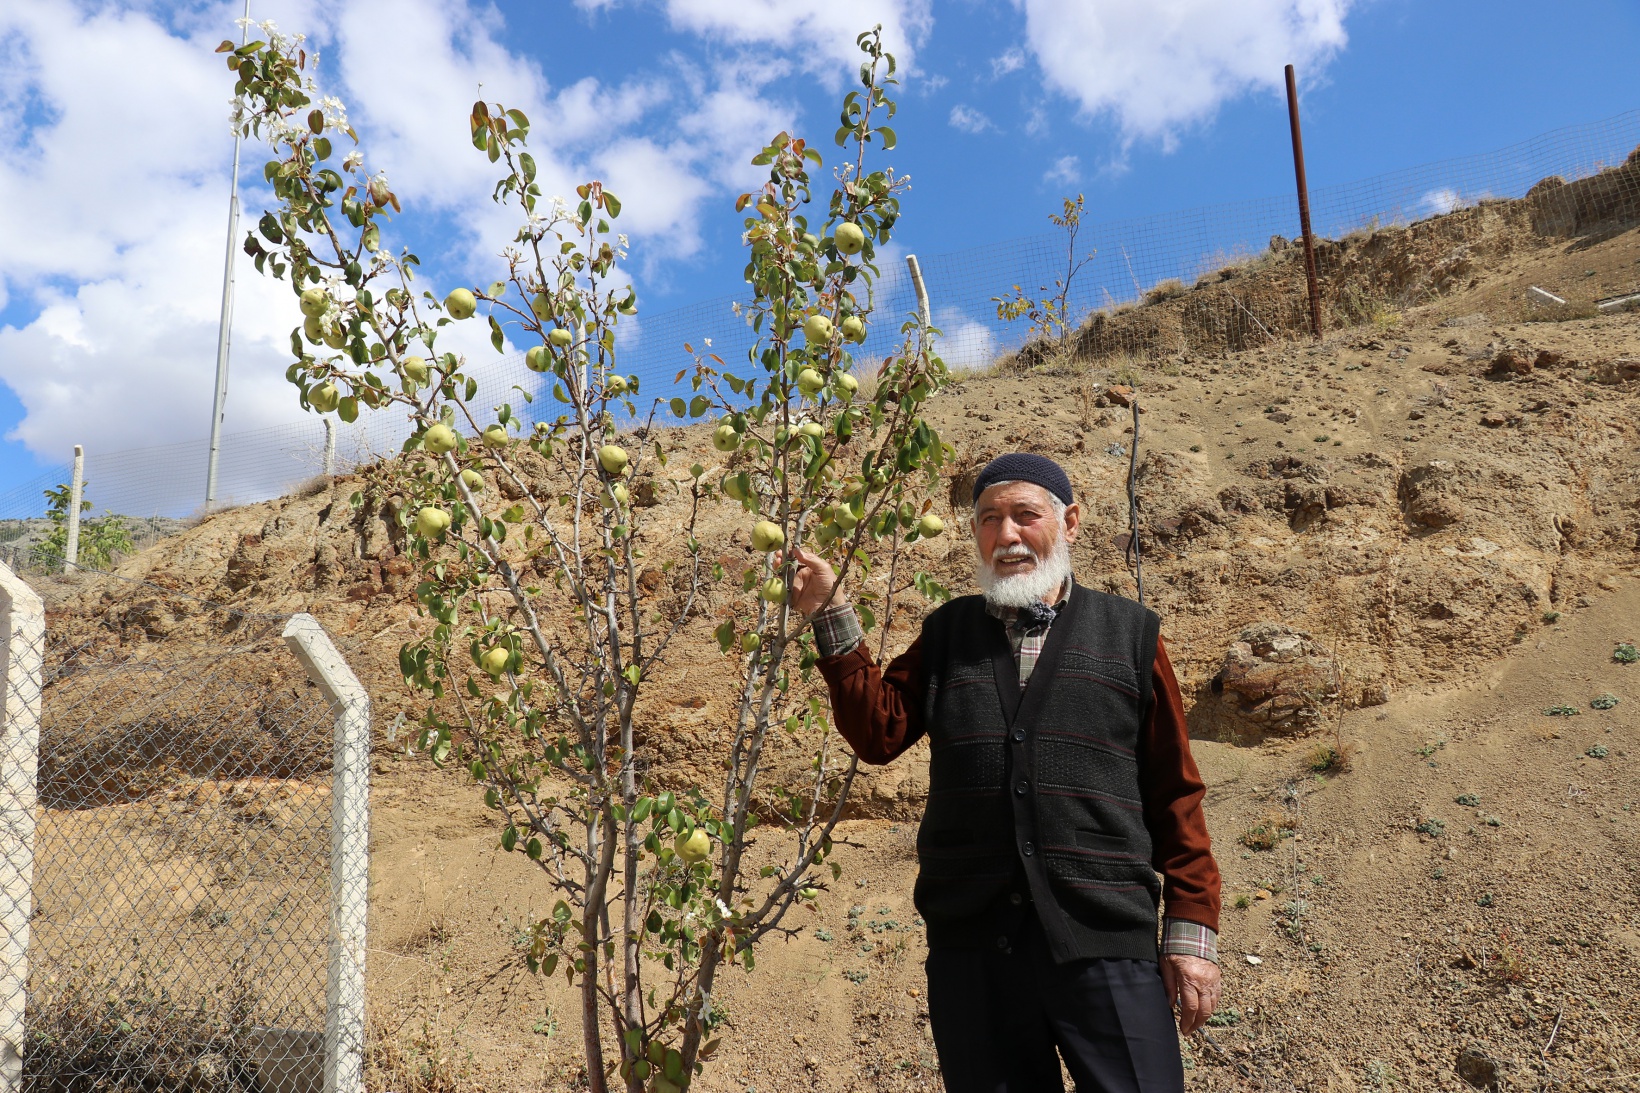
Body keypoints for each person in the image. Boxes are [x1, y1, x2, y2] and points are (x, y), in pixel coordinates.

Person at [788, 452, 1222, 1093]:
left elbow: (1175, 792)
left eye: (1026, 515)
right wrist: (830, 611)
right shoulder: (947, 634)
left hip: (1104, 940)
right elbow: (879, 731)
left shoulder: (1131, 634)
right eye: (989, 519)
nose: (1007, 534)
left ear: (1069, 523)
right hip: (975, 952)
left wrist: (1190, 931)